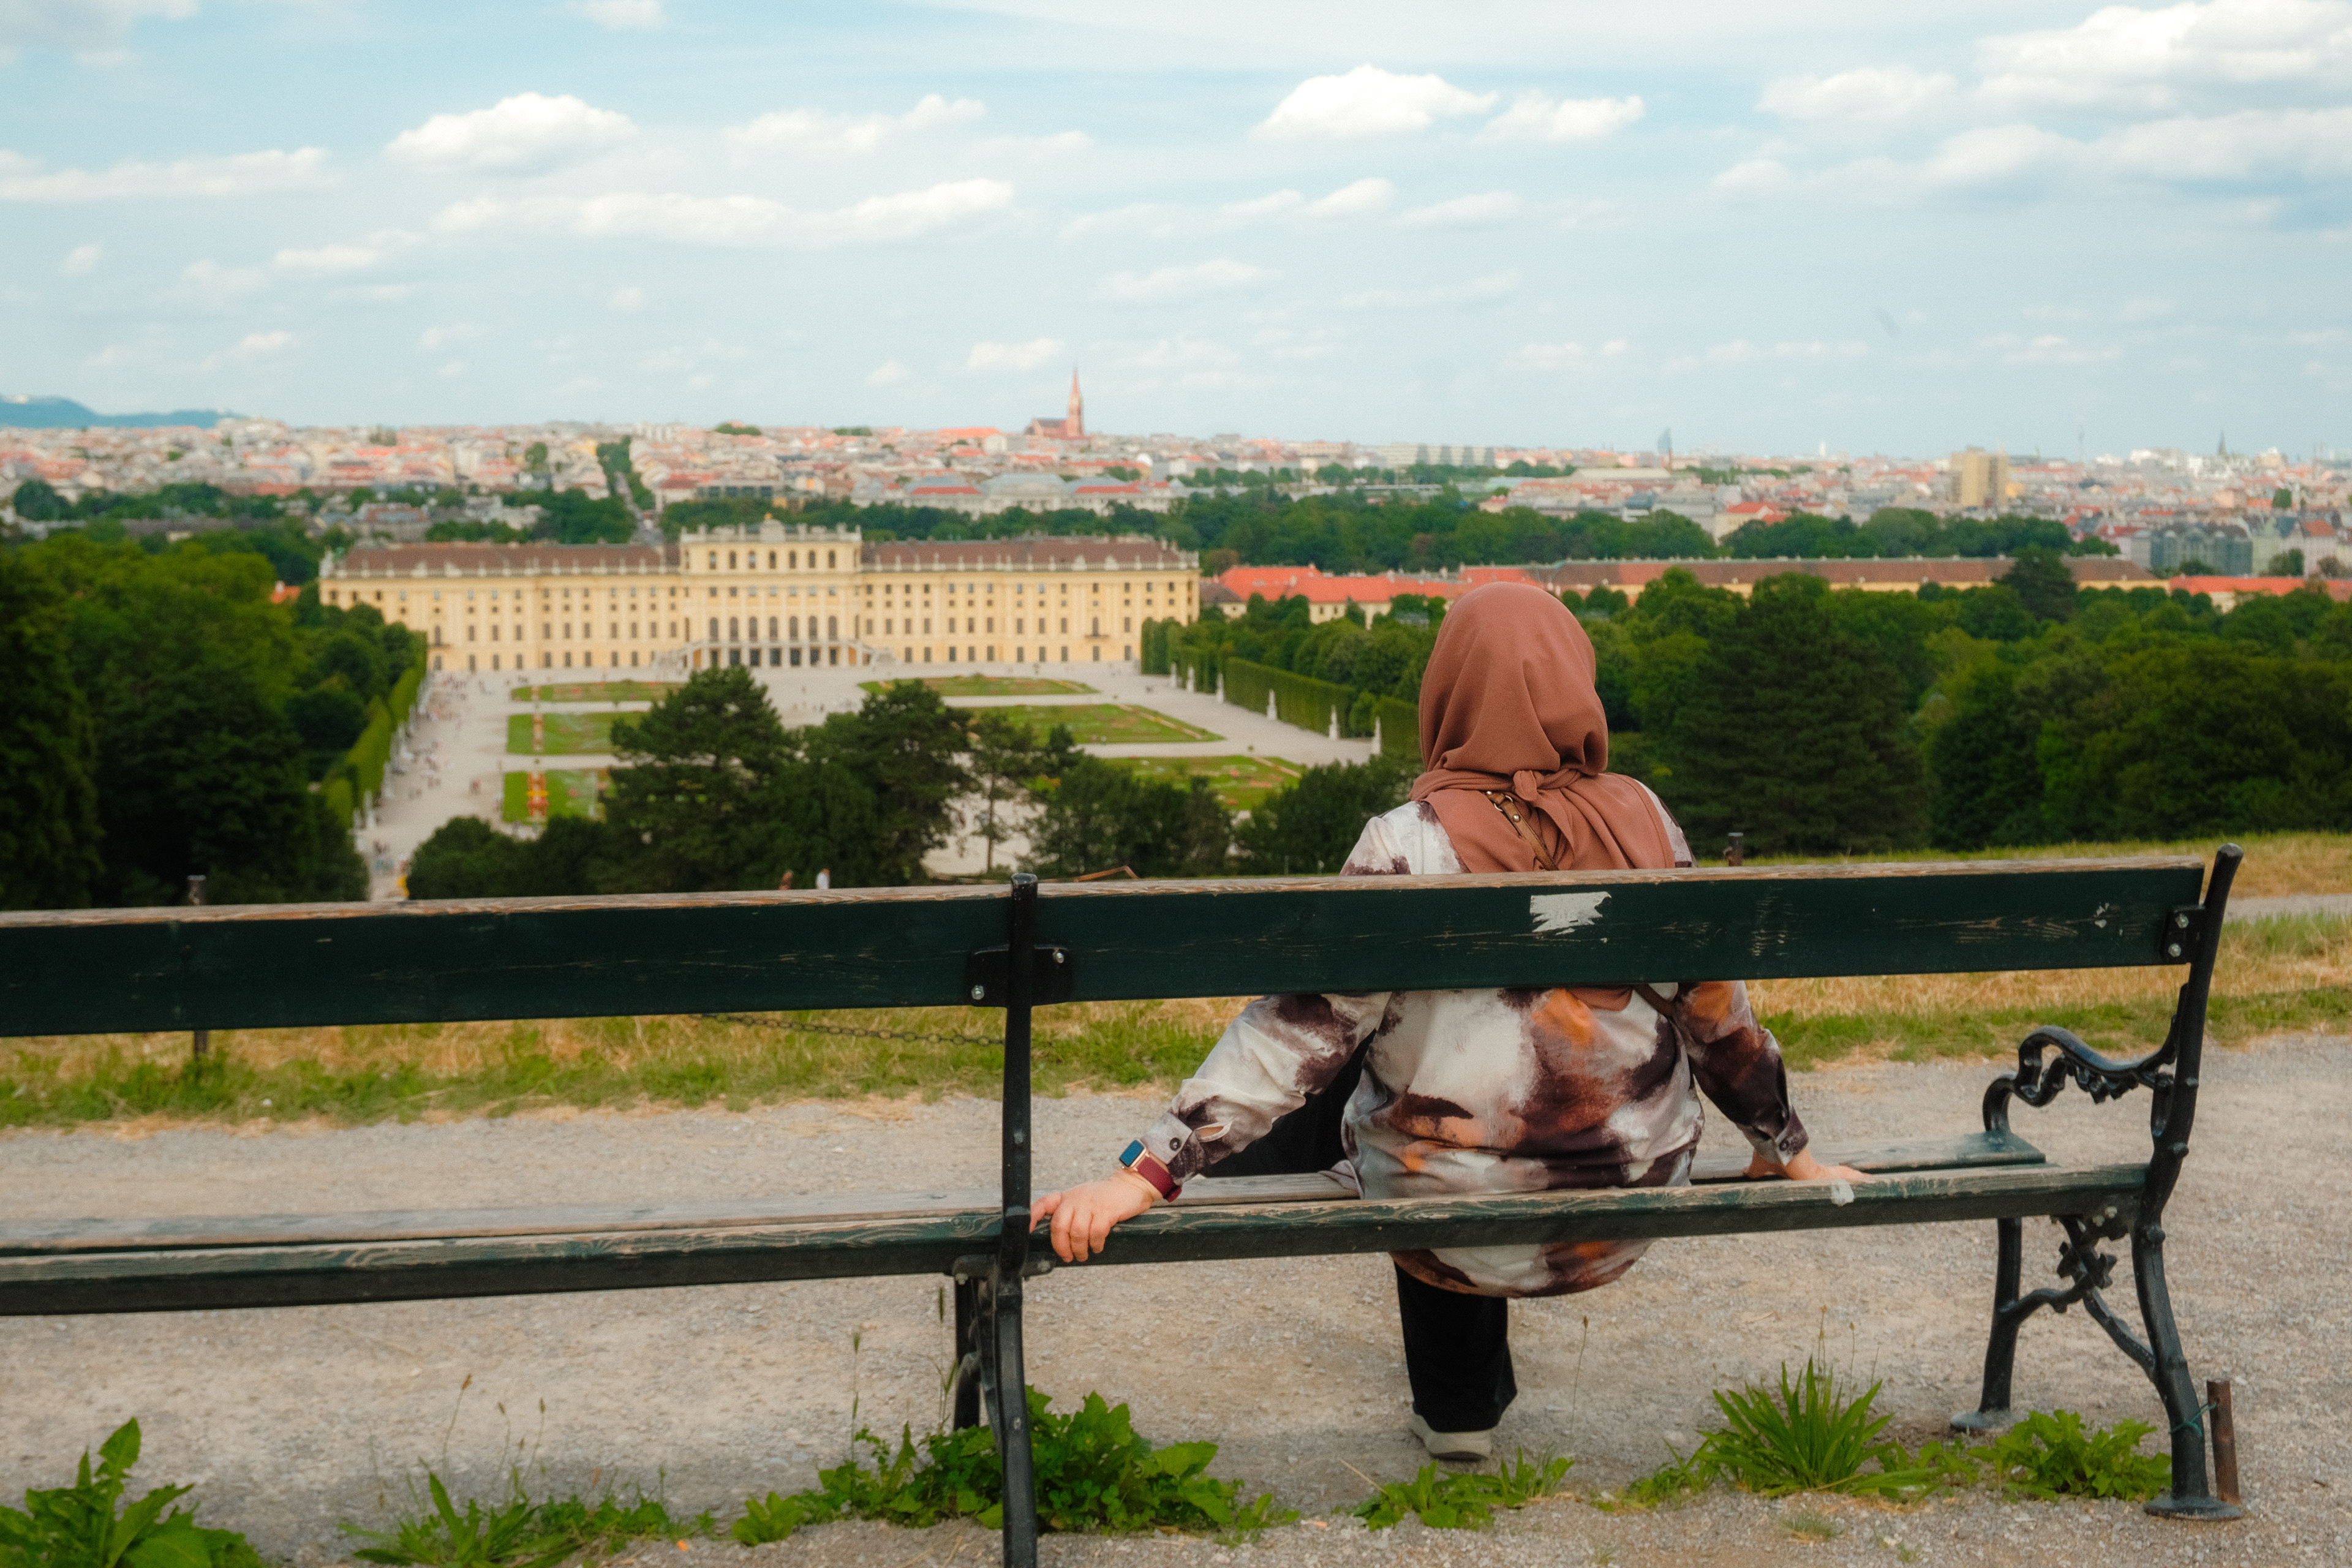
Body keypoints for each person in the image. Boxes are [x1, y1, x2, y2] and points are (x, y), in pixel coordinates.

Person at [1031, 582, 1863, 1462]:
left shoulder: (1407, 845)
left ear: (1450, 692)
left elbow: (1291, 1037)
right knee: (1427, 1084)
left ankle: (1454, 1411)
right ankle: (1458, 1400)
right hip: (1627, 1201)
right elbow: (1720, 1023)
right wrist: (1786, 1147)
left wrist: (1145, 1173)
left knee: (1396, 1099)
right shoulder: (1648, 822)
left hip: (1448, 1215)